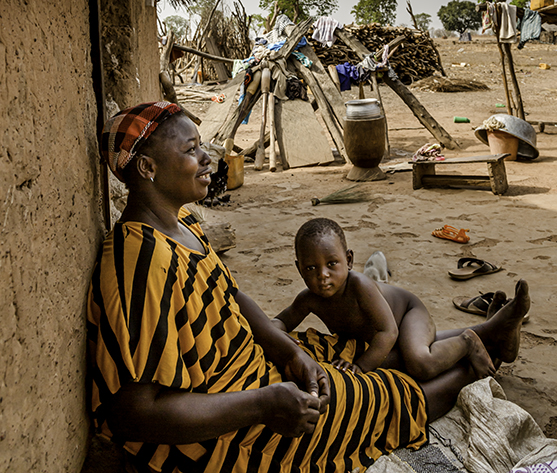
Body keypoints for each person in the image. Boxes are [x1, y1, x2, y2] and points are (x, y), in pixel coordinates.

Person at [87, 102, 530, 473]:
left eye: (202, 145)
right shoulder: (141, 261)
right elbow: (134, 413)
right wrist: (264, 403)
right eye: (191, 150)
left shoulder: (180, 223)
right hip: (221, 425)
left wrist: (289, 351)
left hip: (252, 367)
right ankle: (472, 369)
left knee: (355, 352)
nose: (207, 158)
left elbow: (232, 299)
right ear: (147, 167)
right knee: (378, 396)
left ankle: (488, 334)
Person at [273, 218, 499, 381]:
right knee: (399, 359)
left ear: (349, 260)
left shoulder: (360, 286)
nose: (322, 275)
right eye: (311, 268)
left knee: (420, 364)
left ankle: (467, 342)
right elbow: (279, 322)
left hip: (407, 315)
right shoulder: (308, 299)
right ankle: (492, 332)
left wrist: (360, 367)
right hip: (383, 336)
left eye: (332, 263)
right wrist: (279, 336)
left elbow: (388, 332)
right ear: (299, 269)